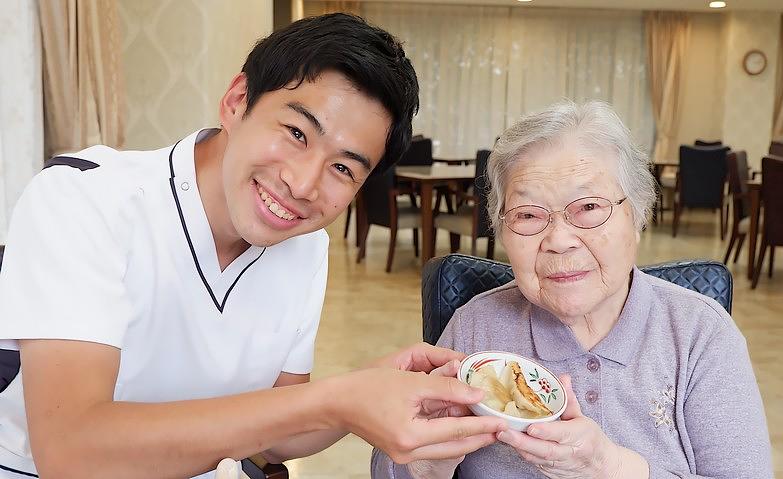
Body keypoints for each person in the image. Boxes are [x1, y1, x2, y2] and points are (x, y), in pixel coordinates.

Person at [0, 14, 506, 479]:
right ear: (237, 101)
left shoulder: (305, 247)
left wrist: (373, 386)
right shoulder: (85, 199)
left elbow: (276, 435)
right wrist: (334, 400)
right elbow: (71, 451)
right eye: (295, 132)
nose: (304, 185)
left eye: (343, 168)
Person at [372, 100, 773, 478]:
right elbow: (390, 468)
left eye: (589, 208)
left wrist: (609, 467)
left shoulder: (699, 334)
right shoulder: (476, 327)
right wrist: (428, 462)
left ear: (637, 215)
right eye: (528, 214)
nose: (559, 239)